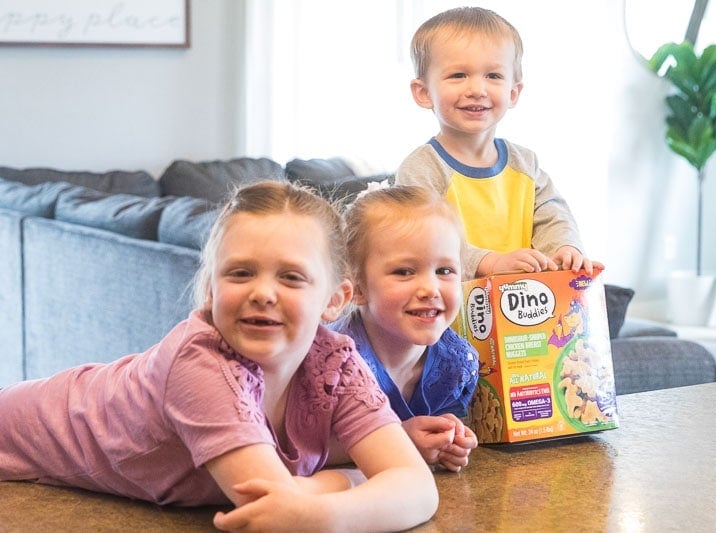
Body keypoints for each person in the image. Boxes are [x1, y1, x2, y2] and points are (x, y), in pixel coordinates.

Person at [0, 181, 438, 532]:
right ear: (211, 289)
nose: (262, 293)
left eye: (291, 276)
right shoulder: (200, 365)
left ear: (335, 299)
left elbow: (418, 489)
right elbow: (268, 507)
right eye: (240, 273)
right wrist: (355, 484)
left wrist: (318, 508)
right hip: (17, 428)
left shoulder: (336, 361)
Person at [396, 6, 601, 279]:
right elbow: (422, 240)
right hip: (450, 313)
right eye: (458, 75)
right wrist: (488, 262)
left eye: (493, 76)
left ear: (513, 92)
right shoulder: (422, 168)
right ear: (423, 92)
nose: (477, 90)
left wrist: (564, 246)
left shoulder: (526, 164)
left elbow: (552, 215)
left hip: (525, 309)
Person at [330, 186, 479, 473]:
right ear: (357, 287)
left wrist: (451, 441)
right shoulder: (330, 364)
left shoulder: (459, 365)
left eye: (445, 271)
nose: (430, 289)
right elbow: (300, 451)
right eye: (404, 271)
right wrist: (397, 439)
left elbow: (444, 425)